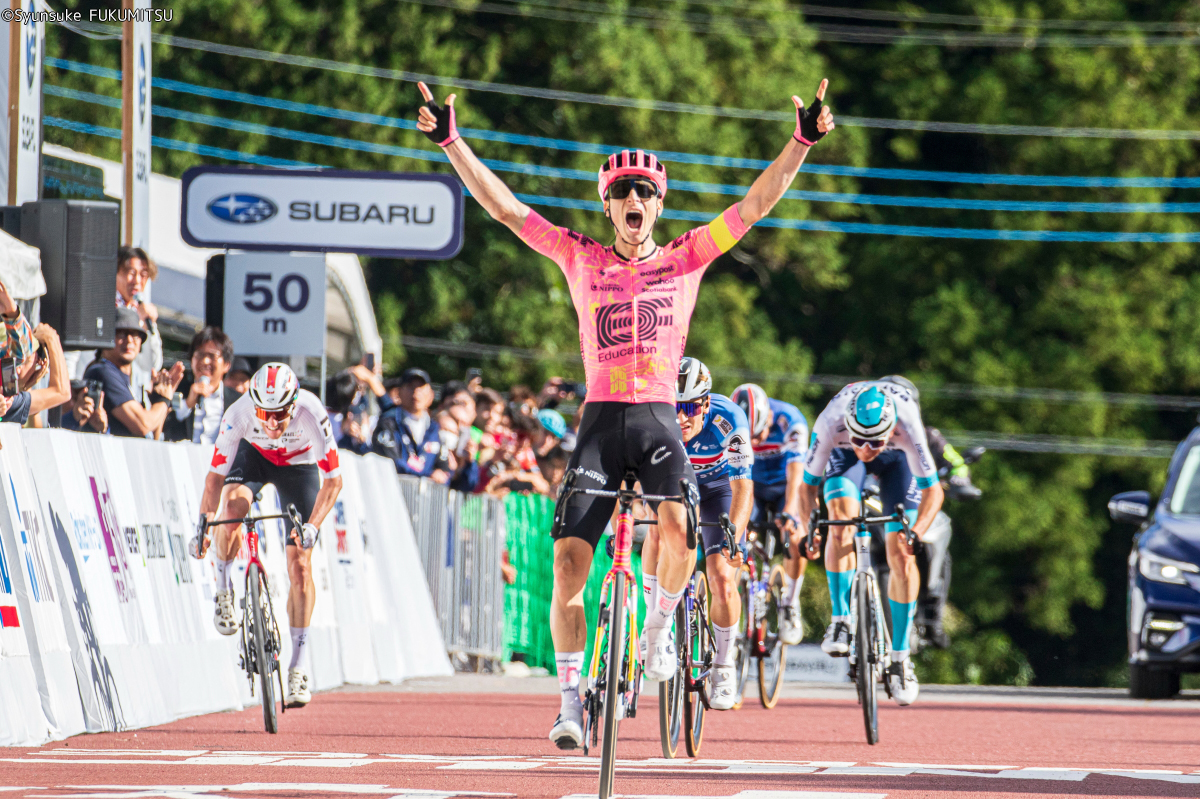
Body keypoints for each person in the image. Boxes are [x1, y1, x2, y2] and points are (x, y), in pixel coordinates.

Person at [416, 76, 835, 749]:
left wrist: (801, 141)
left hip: (659, 418)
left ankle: (661, 629)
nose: (632, 198)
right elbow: (503, 209)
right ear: (606, 206)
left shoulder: (686, 257)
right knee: (568, 568)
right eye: (620, 192)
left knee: (677, 527)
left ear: (659, 205)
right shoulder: (579, 257)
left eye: (644, 192)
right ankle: (569, 705)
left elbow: (755, 207)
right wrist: (451, 142)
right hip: (601, 420)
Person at [188, 362, 343, 708]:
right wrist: (203, 525)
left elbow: (333, 481)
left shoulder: (311, 411)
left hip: (299, 469)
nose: (272, 423)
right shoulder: (239, 412)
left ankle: (298, 667)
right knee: (231, 511)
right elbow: (214, 479)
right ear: (253, 404)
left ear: (294, 404)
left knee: (300, 566)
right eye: (264, 413)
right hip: (254, 458)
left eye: (280, 414)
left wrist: (313, 526)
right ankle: (225, 590)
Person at [797, 381, 944, 707]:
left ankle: (901, 657)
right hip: (842, 459)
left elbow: (934, 491)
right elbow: (806, 488)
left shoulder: (907, 423)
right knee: (839, 523)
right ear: (847, 426)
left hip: (897, 462)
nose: (866, 447)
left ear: (890, 428)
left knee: (901, 553)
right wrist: (811, 529)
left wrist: (916, 532)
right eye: (859, 438)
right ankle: (840, 621)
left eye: (875, 439)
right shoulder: (830, 422)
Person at [643, 357, 753, 710]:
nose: (680, 417)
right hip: (676, 484)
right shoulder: (656, 419)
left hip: (720, 490)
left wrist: (733, 536)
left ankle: (723, 665)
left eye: (690, 407)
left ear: (706, 403)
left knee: (722, 577)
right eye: (674, 406)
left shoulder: (730, 420)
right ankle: (654, 625)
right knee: (659, 533)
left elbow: (742, 489)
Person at [729, 383, 810, 645]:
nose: (754, 443)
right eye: (748, 439)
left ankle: (789, 604)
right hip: (751, 484)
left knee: (795, 535)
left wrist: (789, 511)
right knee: (734, 535)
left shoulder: (791, 420)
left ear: (770, 418)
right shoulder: (729, 421)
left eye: (760, 435)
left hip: (784, 484)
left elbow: (797, 473)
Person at [80, 308, 184, 438]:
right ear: (106, 338)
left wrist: (160, 397)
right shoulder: (102, 371)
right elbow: (142, 425)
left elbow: (153, 436)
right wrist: (164, 400)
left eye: (135, 335)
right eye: (121, 334)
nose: (129, 341)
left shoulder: (132, 376)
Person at [164, 327, 238, 445]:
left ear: (226, 365)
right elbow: (165, 428)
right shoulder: (176, 390)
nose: (205, 361)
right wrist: (187, 404)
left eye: (212, 356)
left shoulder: (237, 401)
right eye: (199, 355)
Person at [372, 367, 447, 482]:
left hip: (423, 497)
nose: (416, 393)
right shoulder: (389, 422)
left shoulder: (433, 428)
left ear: (431, 395)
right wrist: (427, 475)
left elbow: (445, 468)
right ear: (398, 393)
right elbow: (390, 461)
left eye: (421, 388)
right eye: (410, 387)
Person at [3, 323, 70, 425]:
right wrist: (52, 338)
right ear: (18, 367)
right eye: (35, 357)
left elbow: (35, 431)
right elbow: (61, 392)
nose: (39, 362)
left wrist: (22, 387)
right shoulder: (6, 401)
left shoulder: (7, 398)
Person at [114, 246, 163, 377]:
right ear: (116, 272)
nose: (137, 281)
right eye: (131, 273)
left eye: (143, 275)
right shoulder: (103, 304)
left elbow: (151, 365)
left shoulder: (140, 311)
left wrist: (147, 327)